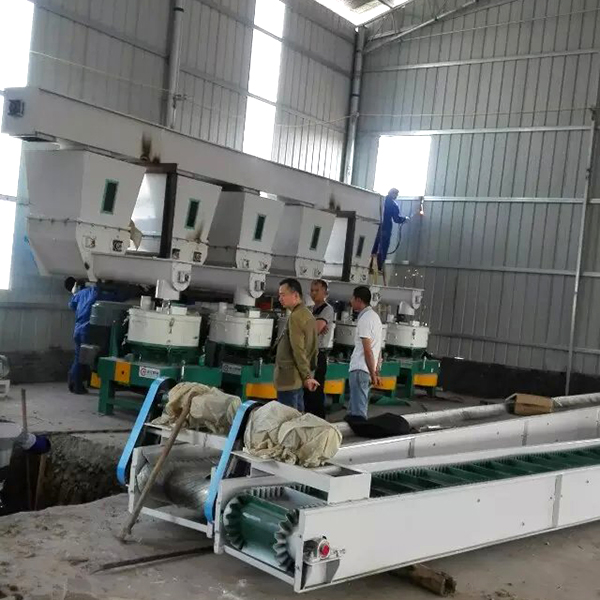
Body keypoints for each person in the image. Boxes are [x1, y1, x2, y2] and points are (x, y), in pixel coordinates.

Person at [275, 278, 319, 412]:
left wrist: (307, 376)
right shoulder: (307, 314)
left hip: (290, 378)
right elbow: (314, 349)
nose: (280, 298)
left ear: (295, 295)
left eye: (283, 295)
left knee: (287, 417)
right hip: (298, 378)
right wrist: (308, 374)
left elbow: (298, 349)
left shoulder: (296, 317)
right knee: (298, 415)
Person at [347, 285, 383, 420]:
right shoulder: (375, 317)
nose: (350, 301)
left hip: (360, 369)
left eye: (352, 298)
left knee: (358, 413)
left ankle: (360, 432)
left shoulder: (365, 319)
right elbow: (378, 348)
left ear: (359, 300)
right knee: (356, 409)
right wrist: (376, 370)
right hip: (367, 369)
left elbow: (367, 350)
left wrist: (373, 374)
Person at [303, 279, 334, 419]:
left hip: (318, 355)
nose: (313, 293)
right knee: (307, 393)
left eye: (317, 291)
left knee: (315, 392)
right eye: (312, 290)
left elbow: (314, 330)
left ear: (325, 292)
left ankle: (319, 421)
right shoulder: (310, 309)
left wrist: (310, 327)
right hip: (307, 354)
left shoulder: (327, 309)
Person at [66, 278, 99, 395]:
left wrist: (75, 294)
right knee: (83, 360)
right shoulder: (94, 292)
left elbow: (71, 305)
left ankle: (74, 384)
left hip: (78, 330)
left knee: (78, 358)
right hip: (86, 330)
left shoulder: (79, 294)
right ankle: (77, 386)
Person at [369, 188, 409, 280]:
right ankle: (378, 266)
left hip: (376, 227)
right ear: (393, 194)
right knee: (383, 248)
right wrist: (405, 219)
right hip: (386, 228)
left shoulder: (381, 201)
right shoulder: (393, 204)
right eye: (396, 194)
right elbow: (396, 219)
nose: (396, 196)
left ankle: (370, 265)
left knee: (374, 247)